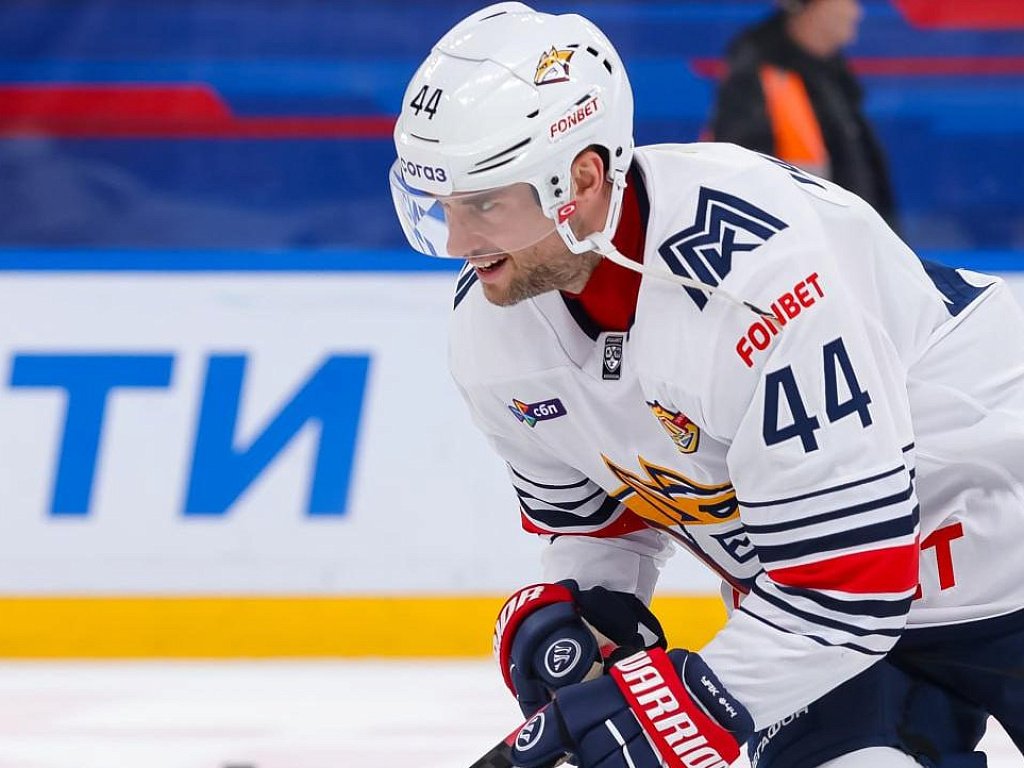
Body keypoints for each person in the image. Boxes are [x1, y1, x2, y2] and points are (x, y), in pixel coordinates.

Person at [388, 3, 1024, 767]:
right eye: (441, 206)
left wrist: (683, 710)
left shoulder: (752, 281)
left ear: (580, 179)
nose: (459, 242)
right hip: (824, 628)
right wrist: (588, 620)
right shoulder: (492, 327)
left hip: (998, 549)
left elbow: (852, 579)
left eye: (484, 203)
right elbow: (604, 521)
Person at [708, 0, 898, 229]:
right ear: (807, 7)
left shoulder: (832, 73)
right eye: (847, 1)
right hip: (802, 243)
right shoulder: (755, 76)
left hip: (841, 239)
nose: (856, 13)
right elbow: (745, 188)